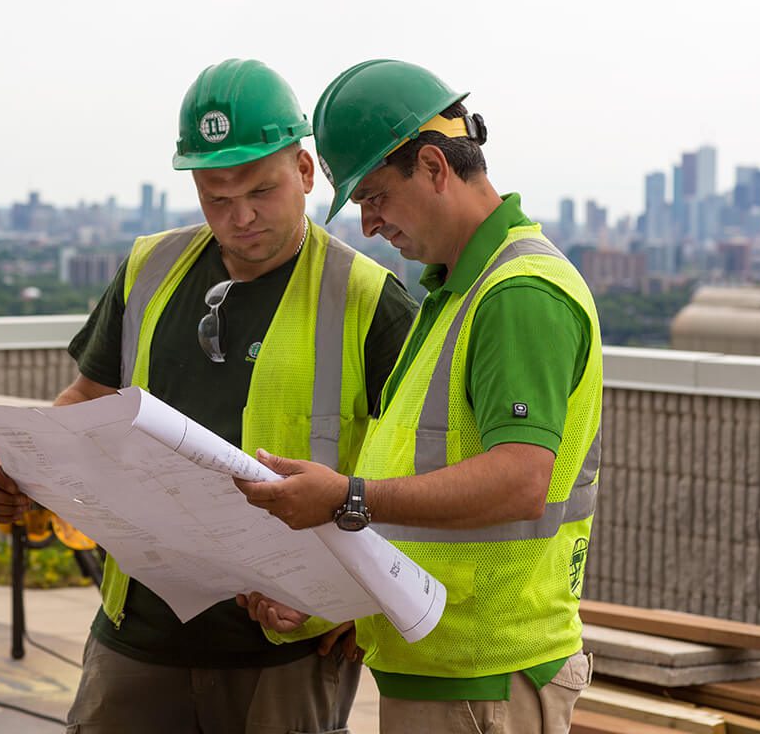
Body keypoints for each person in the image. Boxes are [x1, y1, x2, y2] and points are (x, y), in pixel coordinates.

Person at [0, 58, 418, 734]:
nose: (240, 217)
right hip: (141, 632)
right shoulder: (148, 269)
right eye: (216, 196)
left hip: (287, 648)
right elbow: (88, 397)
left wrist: (369, 600)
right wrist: (28, 463)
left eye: (261, 190)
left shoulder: (367, 301)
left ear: (305, 173)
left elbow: (419, 469)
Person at [235, 59, 602, 734]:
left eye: (374, 197)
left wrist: (346, 497)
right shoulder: (456, 293)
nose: (370, 226)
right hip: (449, 675)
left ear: (434, 167)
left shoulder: (517, 294)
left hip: (485, 681)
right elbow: (423, 505)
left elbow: (521, 480)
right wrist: (329, 598)